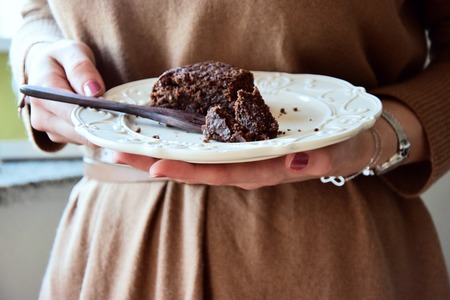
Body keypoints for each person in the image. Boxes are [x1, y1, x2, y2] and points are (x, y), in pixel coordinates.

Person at [10, 0, 450, 299]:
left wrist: (381, 133)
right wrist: (38, 55)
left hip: (345, 249)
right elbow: (38, 11)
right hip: (116, 246)